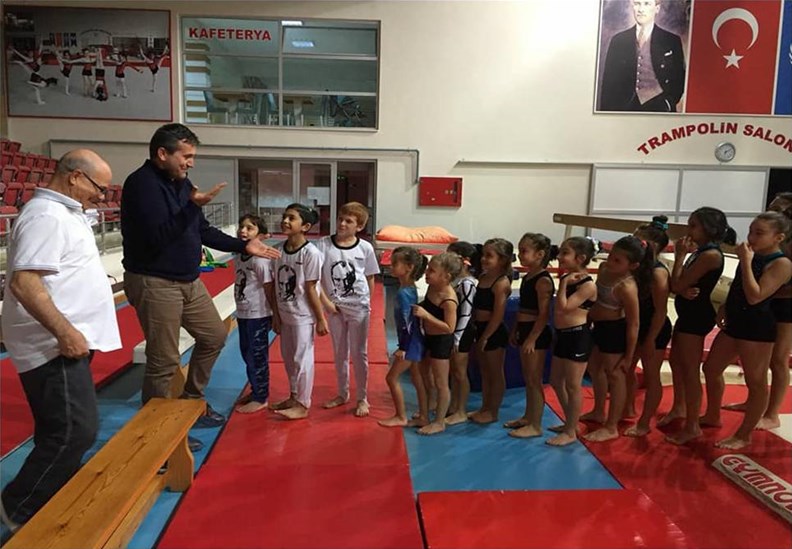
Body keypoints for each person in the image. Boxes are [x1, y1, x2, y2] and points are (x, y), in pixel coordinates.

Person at [122, 123, 280, 452]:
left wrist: (243, 245)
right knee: (164, 361)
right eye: (186, 156)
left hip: (188, 280)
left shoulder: (181, 183)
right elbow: (158, 237)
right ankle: (156, 435)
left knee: (214, 336)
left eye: (193, 156)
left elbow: (202, 230)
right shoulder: (142, 185)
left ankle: (190, 402)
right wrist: (192, 205)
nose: (191, 163)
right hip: (155, 281)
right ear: (162, 154)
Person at [0, 150, 121, 531]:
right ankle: (19, 508)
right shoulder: (46, 217)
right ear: (74, 177)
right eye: (99, 187)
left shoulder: (64, 213)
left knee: (59, 428)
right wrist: (65, 332)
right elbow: (25, 283)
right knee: (73, 432)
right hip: (52, 344)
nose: (101, 195)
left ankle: (53, 495)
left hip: (64, 340)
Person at [698, 212, 792, 449]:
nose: (751, 237)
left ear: (778, 237)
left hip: (758, 327)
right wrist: (724, 306)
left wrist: (747, 262)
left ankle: (743, 434)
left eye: (759, 233)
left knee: (756, 381)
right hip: (736, 321)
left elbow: (755, 296)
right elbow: (738, 286)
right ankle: (712, 414)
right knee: (711, 368)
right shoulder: (750, 254)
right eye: (750, 231)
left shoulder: (781, 263)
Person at [664, 207, 734, 445]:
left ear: (709, 229)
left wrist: (679, 257)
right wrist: (682, 287)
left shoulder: (710, 255)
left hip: (696, 317)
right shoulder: (701, 251)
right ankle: (679, 407)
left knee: (690, 371)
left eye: (693, 225)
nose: (688, 229)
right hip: (688, 313)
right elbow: (680, 284)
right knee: (676, 362)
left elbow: (676, 284)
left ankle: (692, 425)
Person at [723, 193, 792, 430]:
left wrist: (768, 292)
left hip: (784, 304)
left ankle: (772, 412)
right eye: (772, 207)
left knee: (778, 358)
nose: (773, 212)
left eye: (780, 210)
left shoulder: (784, 246)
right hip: (763, 301)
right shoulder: (764, 241)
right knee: (755, 360)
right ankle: (753, 403)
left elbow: (765, 288)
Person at [582, 236, 650, 442]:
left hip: (615, 331)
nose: (610, 261)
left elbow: (634, 323)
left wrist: (629, 356)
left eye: (617, 260)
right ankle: (598, 411)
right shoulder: (604, 269)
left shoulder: (627, 286)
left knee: (615, 376)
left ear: (633, 265)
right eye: (611, 256)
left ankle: (611, 426)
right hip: (598, 327)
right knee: (595, 369)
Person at [317, 202, 380, 417]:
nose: (342, 224)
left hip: (358, 306)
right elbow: (314, 279)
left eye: (349, 221)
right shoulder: (323, 245)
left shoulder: (365, 248)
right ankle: (342, 393)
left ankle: (362, 398)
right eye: (340, 219)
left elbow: (370, 278)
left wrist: (367, 302)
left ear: (359, 226)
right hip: (335, 307)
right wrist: (326, 303)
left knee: (359, 352)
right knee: (339, 352)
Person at [266, 203, 328, 420]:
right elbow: (275, 285)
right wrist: (275, 314)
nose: (285, 221)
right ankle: (293, 396)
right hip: (285, 313)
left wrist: (320, 319)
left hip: (303, 315)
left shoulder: (312, 253)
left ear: (305, 226)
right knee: (289, 358)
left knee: (303, 359)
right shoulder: (278, 250)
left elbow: (312, 288)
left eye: (291, 218)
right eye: (285, 216)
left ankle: (303, 403)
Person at [504, 233, 557, 439]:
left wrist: (532, 338)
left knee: (534, 380)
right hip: (525, 330)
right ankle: (528, 417)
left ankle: (536, 425)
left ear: (540, 254)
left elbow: (544, 314)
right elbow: (523, 309)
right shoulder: (528, 277)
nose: (520, 255)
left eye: (524, 251)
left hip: (537, 333)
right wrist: (516, 329)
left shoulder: (543, 280)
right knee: (528, 378)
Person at [624, 216, 673, 437]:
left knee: (652, 375)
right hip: (636, 324)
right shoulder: (636, 267)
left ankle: (644, 423)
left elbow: (661, 311)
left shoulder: (657, 272)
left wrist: (651, 339)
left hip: (655, 327)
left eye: (637, 241)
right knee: (626, 369)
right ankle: (627, 407)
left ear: (651, 246)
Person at [547, 237, 598, 446]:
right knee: (555, 381)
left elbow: (564, 307)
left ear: (581, 258)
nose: (559, 257)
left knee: (573, 385)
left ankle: (570, 432)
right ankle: (571, 422)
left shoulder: (587, 285)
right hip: (564, 335)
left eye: (565, 253)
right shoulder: (569, 279)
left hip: (578, 336)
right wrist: (565, 281)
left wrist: (564, 283)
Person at [599, 0, 685, 112]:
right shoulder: (618, 40)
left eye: (646, 4)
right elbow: (608, 83)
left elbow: (679, 80)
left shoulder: (671, 41)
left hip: (659, 108)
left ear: (657, 8)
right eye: (637, 4)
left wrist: (668, 103)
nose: (640, 9)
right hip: (624, 109)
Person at [462, 238, 513, 425]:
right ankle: (484, 407)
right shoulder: (483, 278)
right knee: (484, 372)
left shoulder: (501, 283)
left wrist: (486, 336)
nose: (483, 259)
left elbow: (498, 315)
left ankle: (493, 411)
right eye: (483, 255)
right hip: (480, 329)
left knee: (495, 373)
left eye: (489, 256)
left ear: (502, 260)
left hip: (494, 332)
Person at [379, 247, 429, 428]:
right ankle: (423, 416)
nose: (390, 266)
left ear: (409, 267)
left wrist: (403, 347)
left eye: (395, 264)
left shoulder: (403, 293)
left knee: (391, 378)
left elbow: (408, 323)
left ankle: (400, 416)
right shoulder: (408, 288)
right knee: (417, 378)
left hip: (411, 343)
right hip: (413, 340)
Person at [412, 252, 461, 435]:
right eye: (428, 269)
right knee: (425, 373)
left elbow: (449, 327)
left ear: (446, 277)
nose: (426, 273)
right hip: (428, 337)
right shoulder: (432, 287)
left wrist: (426, 316)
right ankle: (431, 405)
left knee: (441, 382)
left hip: (441, 341)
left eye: (432, 271)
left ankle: (440, 422)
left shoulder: (449, 299)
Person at [233, 214, 274, 414]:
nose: (243, 231)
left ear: (261, 234)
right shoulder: (240, 255)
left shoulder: (260, 260)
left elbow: (269, 288)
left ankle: (261, 397)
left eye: (250, 228)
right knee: (247, 354)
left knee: (257, 356)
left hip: (258, 314)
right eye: (241, 227)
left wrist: (275, 315)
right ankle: (255, 389)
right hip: (243, 313)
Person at [445, 241, 480, 425]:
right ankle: (453, 406)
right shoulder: (456, 281)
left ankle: (461, 410)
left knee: (460, 372)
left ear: (463, 260)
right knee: (454, 372)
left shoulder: (467, 284)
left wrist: (457, 337)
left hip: (463, 332)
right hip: (455, 330)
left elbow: (466, 313)